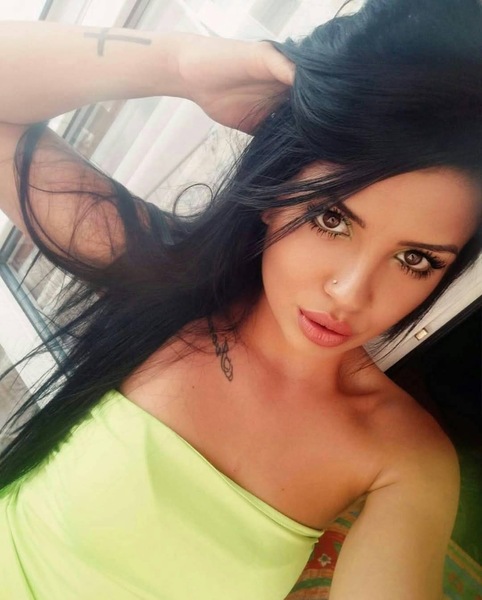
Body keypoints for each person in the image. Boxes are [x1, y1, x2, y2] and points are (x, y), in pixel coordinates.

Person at [0, 1, 481, 598]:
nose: (351, 292)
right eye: (331, 218)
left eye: (416, 259)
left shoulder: (404, 458)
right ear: (273, 191)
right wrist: (180, 64)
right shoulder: (161, 274)